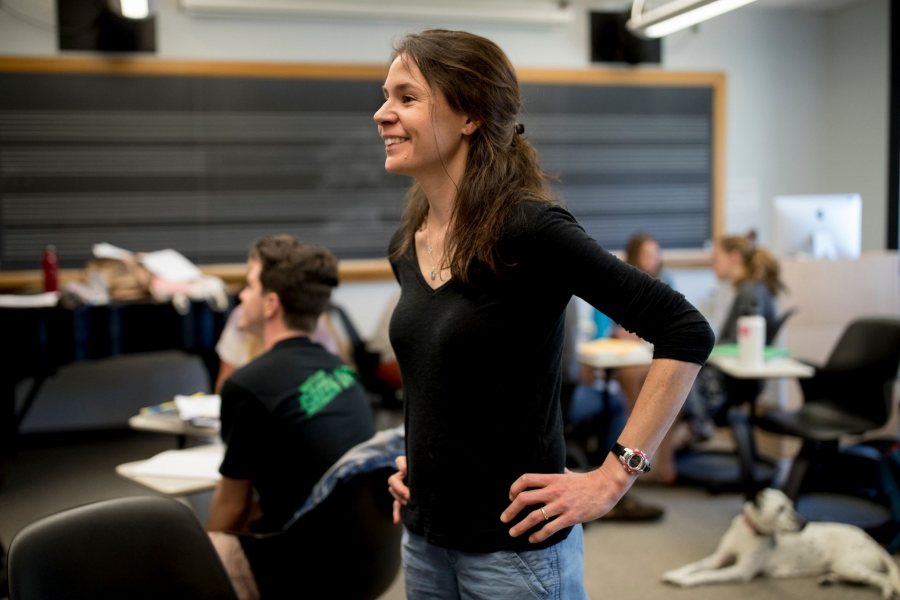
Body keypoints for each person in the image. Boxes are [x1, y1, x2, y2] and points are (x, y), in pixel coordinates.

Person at [374, 29, 715, 599]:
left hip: (515, 552)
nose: (382, 114)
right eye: (385, 96)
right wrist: (420, 458)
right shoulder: (408, 245)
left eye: (407, 98)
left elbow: (685, 331)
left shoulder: (530, 230)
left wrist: (613, 478)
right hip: (425, 538)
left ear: (470, 115)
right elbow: (444, 377)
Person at [206, 234, 376, 599]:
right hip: (365, 558)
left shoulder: (248, 385)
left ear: (270, 304)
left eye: (249, 285)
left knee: (186, 556)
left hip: (302, 565)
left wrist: (202, 557)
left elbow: (231, 505)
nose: (241, 296)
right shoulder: (342, 372)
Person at [214, 291, 346, 393]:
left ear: (272, 301)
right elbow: (224, 390)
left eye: (251, 286)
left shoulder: (316, 327)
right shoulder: (240, 320)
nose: (242, 294)